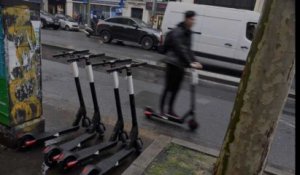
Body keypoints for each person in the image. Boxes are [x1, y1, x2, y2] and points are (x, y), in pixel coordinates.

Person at [160, 10, 203, 118]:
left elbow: (189, 50)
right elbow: (180, 49)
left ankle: (170, 110)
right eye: (192, 19)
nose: (194, 21)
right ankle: (161, 111)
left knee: (176, 89)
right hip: (172, 63)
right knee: (168, 88)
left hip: (180, 66)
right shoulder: (178, 31)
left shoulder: (188, 33)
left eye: (194, 19)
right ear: (186, 19)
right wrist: (190, 63)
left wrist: (195, 61)